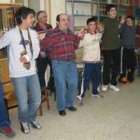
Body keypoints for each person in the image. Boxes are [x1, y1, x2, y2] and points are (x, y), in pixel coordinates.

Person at [0, 6, 41, 134]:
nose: (33, 20)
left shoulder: (33, 33)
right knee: (23, 103)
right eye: (31, 17)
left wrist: (28, 57)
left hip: (31, 72)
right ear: (23, 18)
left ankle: (30, 118)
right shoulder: (11, 34)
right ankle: (24, 121)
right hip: (17, 75)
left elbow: (37, 51)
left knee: (37, 99)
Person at [41, 13, 85, 116]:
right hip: (58, 63)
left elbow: (74, 46)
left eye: (67, 20)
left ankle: (69, 104)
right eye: (63, 20)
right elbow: (43, 45)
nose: (66, 22)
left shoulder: (70, 33)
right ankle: (61, 107)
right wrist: (43, 51)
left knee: (74, 84)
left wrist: (78, 37)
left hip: (71, 62)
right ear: (57, 22)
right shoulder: (51, 33)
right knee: (61, 86)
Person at [77, 17, 104, 105]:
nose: (93, 26)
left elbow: (99, 35)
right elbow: (78, 44)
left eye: (94, 25)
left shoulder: (97, 34)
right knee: (86, 80)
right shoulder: (85, 35)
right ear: (87, 26)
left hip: (97, 61)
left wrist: (100, 31)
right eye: (91, 25)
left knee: (97, 78)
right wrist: (80, 36)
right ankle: (80, 96)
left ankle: (95, 92)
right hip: (88, 62)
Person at [101, 4, 121, 92]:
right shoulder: (104, 22)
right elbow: (100, 33)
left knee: (116, 66)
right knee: (107, 66)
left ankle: (113, 83)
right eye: (112, 10)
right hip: (107, 48)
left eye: (115, 10)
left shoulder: (117, 22)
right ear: (108, 12)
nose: (114, 11)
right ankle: (105, 83)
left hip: (116, 47)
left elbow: (118, 33)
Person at [34, 11, 53, 90]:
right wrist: (41, 51)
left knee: (54, 70)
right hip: (41, 54)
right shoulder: (34, 29)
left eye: (46, 16)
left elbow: (51, 38)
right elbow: (36, 42)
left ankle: (50, 86)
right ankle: (43, 90)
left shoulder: (49, 26)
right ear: (39, 18)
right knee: (41, 73)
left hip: (50, 53)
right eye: (44, 16)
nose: (46, 18)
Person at [119, 15, 136, 83]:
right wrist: (122, 23)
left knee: (132, 64)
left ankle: (130, 77)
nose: (128, 21)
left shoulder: (134, 28)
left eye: (129, 20)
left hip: (131, 48)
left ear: (133, 21)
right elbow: (119, 31)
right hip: (124, 48)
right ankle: (122, 77)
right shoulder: (124, 27)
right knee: (123, 64)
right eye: (127, 20)